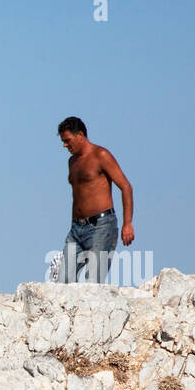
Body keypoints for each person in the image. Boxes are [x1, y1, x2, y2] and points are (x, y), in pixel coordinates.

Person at [57, 116, 134, 283]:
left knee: (92, 282)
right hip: (77, 229)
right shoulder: (72, 162)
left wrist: (128, 223)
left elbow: (126, 186)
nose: (64, 145)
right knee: (61, 281)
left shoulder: (101, 155)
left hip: (101, 226)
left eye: (67, 140)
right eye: (63, 141)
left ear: (80, 135)